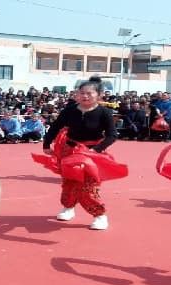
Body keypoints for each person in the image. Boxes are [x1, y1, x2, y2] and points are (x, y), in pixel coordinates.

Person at [43, 76, 117, 230]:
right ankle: (68, 207)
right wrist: (46, 143)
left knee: (88, 186)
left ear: (99, 95)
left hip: (92, 153)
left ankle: (100, 215)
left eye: (89, 93)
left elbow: (112, 135)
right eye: (82, 93)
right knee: (69, 182)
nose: (85, 96)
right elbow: (55, 127)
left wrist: (95, 149)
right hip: (70, 150)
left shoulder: (104, 112)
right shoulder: (70, 110)